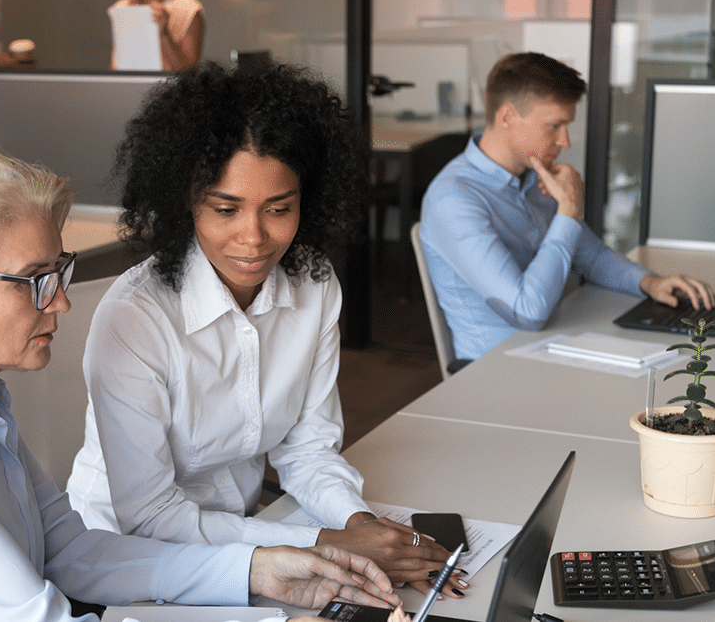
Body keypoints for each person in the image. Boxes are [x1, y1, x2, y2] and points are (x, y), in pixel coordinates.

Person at [0, 140, 401, 622]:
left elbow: (70, 553)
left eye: (59, 272)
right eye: (33, 282)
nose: (62, 306)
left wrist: (258, 571)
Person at [66, 63, 462, 599]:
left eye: (279, 209)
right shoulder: (136, 319)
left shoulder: (315, 284)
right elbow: (152, 516)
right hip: (135, 560)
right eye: (226, 209)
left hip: (255, 536)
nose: (253, 238)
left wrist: (359, 522)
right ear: (186, 201)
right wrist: (322, 542)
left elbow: (307, 447)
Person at [420, 51, 715, 365]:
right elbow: (527, 312)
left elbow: (591, 255)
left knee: (675, 362)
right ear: (506, 117)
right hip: (495, 371)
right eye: (554, 126)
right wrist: (568, 212)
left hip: (553, 346)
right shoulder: (453, 200)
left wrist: (649, 283)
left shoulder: (535, 179)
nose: (565, 141)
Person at [108, 0, 204, 71]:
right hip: (129, 90)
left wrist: (164, 34)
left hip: (171, 92)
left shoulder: (186, 8)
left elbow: (190, 75)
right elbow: (116, 67)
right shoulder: (122, 7)